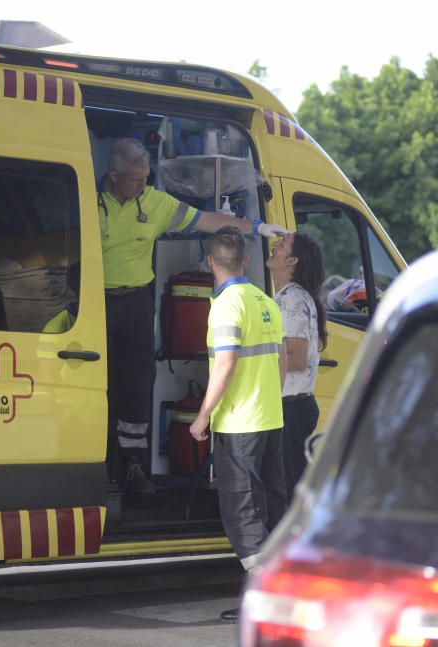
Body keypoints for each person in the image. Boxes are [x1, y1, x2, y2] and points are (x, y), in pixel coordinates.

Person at [99, 138, 287, 493]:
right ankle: (98, 460)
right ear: (114, 176)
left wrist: (257, 227)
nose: (144, 186)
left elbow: (206, 221)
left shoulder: (154, 202)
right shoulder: (91, 204)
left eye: (147, 178)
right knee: (98, 381)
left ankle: (133, 467)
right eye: (136, 180)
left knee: (138, 384)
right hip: (97, 302)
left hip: (137, 302)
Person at [188, 227, 286, 623]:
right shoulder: (266, 301)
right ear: (245, 261)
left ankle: (270, 597)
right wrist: (269, 399)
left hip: (239, 423)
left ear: (211, 263)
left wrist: (202, 416)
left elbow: (225, 364)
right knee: (268, 507)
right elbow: (281, 363)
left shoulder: (226, 304)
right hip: (270, 418)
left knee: (241, 511)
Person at [266, 232, 328, 502]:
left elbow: (298, 358)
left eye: (281, 245)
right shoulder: (286, 297)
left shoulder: (292, 299)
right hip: (290, 408)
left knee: (289, 497)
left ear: (292, 260)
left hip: (291, 409)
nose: (274, 247)